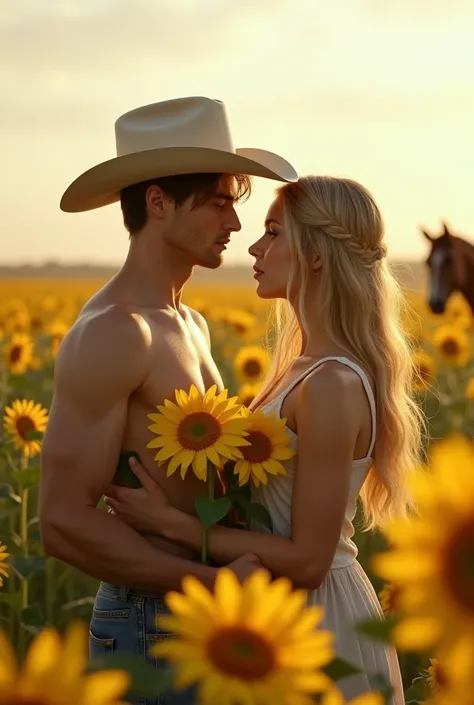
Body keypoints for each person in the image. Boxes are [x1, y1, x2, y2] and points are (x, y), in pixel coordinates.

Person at [104, 174, 423, 703]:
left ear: (316, 255)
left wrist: (176, 525)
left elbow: (307, 559)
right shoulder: (299, 369)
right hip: (276, 614)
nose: (254, 246)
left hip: (317, 621)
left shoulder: (330, 385)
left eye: (273, 233)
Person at [38, 96, 298, 704]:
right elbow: (61, 522)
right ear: (158, 202)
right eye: (220, 202)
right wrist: (209, 582)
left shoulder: (190, 323)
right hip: (151, 621)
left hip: (202, 613)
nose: (235, 224)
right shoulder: (114, 331)